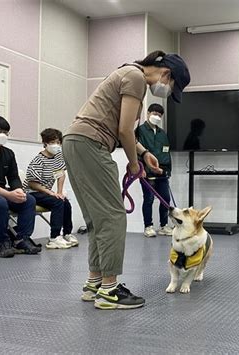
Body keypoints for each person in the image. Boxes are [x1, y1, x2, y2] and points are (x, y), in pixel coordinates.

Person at [63, 50, 190, 310]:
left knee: (98, 219)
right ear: (166, 74)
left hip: (75, 141)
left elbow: (126, 130)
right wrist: (134, 163)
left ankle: (94, 284)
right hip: (91, 144)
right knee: (113, 217)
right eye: (171, 86)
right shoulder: (135, 77)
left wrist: (143, 154)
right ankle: (109, 291)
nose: (165, 91)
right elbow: (123, 130)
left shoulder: (126, 73)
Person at [0, 116, 39, 257]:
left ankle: (21, 239)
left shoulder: (8, 153)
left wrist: (18, 190)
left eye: (5, 132)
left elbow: (13, 177)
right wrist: (7, 194)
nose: (2, 135)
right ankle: (3, 242)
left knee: (29, 200)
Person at [24, 128, 78, 250]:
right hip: (32, 193)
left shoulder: (58, 156)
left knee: (65, 201)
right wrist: (51, 193)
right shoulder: (38, 160)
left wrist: (59, 192)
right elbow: (32, 184)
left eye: (59, 142)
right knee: (57, 201)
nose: (56, 145)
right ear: (45, 143)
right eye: (53, 142)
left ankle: (67, 233)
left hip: (45, 192)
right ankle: (54, 238)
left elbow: (60, 174)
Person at [135, 103, 173, 238]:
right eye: (154, 114)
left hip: (161, 173)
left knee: (165, 199)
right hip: (146, 172)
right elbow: (135, 151)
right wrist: (140, 169)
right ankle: (148, 226)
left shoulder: (163, 134)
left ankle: (164, 225)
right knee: (149, 199)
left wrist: (166, 171)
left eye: (159, 115)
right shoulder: (139, 131)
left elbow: (166, 152)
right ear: (148, 113)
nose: (156, 117)